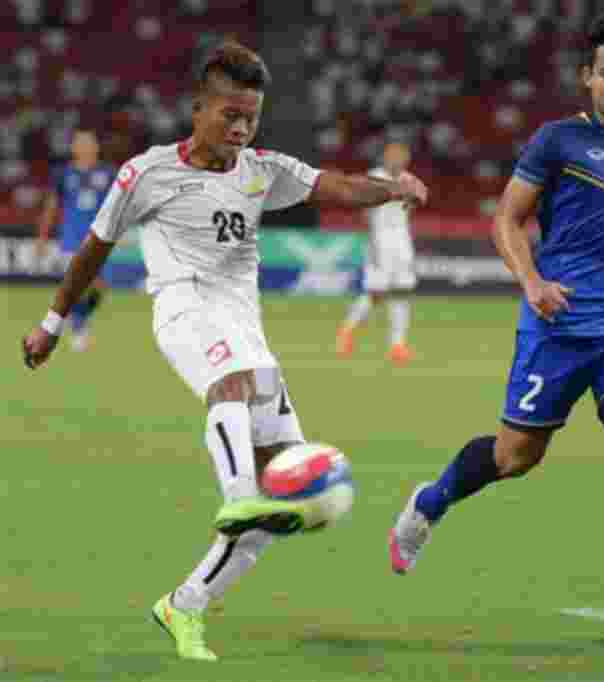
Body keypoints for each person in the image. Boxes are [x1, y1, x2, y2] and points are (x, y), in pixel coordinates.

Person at [22, 41, 427, 662]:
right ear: (198, 109)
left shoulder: (262, 170)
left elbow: (338, 186)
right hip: (182, 310)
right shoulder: (147, 174)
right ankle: (236, 491)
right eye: (229, 114)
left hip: (246, 330)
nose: (240, 128)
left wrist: (393, 187)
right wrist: (52, 322)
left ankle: (184, 605)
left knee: (282, 498)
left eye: (250, 118)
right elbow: (94, 250)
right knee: (232, 398)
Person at [387, 14, 604, 639]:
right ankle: (430, 502)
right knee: (516, 457)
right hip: (557, 323)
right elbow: (506, 220)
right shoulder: (558, 141)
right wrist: (532, 282)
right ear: (588, 78)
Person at [336, 141, 418, 363]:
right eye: (393, 157)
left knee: (402, 291)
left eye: (401, 157)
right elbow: (364, 208)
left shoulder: (410, 181)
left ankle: (397, 345)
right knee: (376, 293)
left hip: (402, 241)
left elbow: (410, 208)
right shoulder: (374, 177)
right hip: (380, 240)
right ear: (385, 158)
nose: (397, 161)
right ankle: (347, 329)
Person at [36, 128, 116, 351]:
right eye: (81, 143)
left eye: (89, 143)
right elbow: (52, 206)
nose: (86, 147)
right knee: (83, 283)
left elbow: (118, 204)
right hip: (72, 239)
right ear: (74, 148)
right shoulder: (63, 174)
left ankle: (77, 318)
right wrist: (42, 236)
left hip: (100, 238)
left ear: (96, 147)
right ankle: (79, 330)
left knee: (100, 287)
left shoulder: (108, 173)